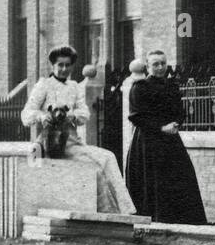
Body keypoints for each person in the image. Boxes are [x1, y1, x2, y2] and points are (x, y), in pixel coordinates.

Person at [21, 45, 135, 215]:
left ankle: (125, 211)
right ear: (53, 66)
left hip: (72, 143)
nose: (64, 69)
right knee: (100, 163)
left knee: (107, 157)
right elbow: (26, 114)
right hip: (48, 142)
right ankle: (117, 212)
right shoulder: (43, 85)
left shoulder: (74, 86)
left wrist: (72, 116)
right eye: (60, 65)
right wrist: (42, 116)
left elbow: (85, 114)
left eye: (68, 65)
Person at [125, 50, 207, 225]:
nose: (160, 67)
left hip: (171, 139)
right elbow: (136, 116)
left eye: (163, 63)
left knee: (182, 174)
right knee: (155, 178)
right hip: (149, 140)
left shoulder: (172, 86)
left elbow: (180, 111)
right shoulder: (140, 87)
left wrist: (177, 123)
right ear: (147, 67)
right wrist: (161, 127)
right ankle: (158, 216)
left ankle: (182, 218)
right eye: (155, 64)